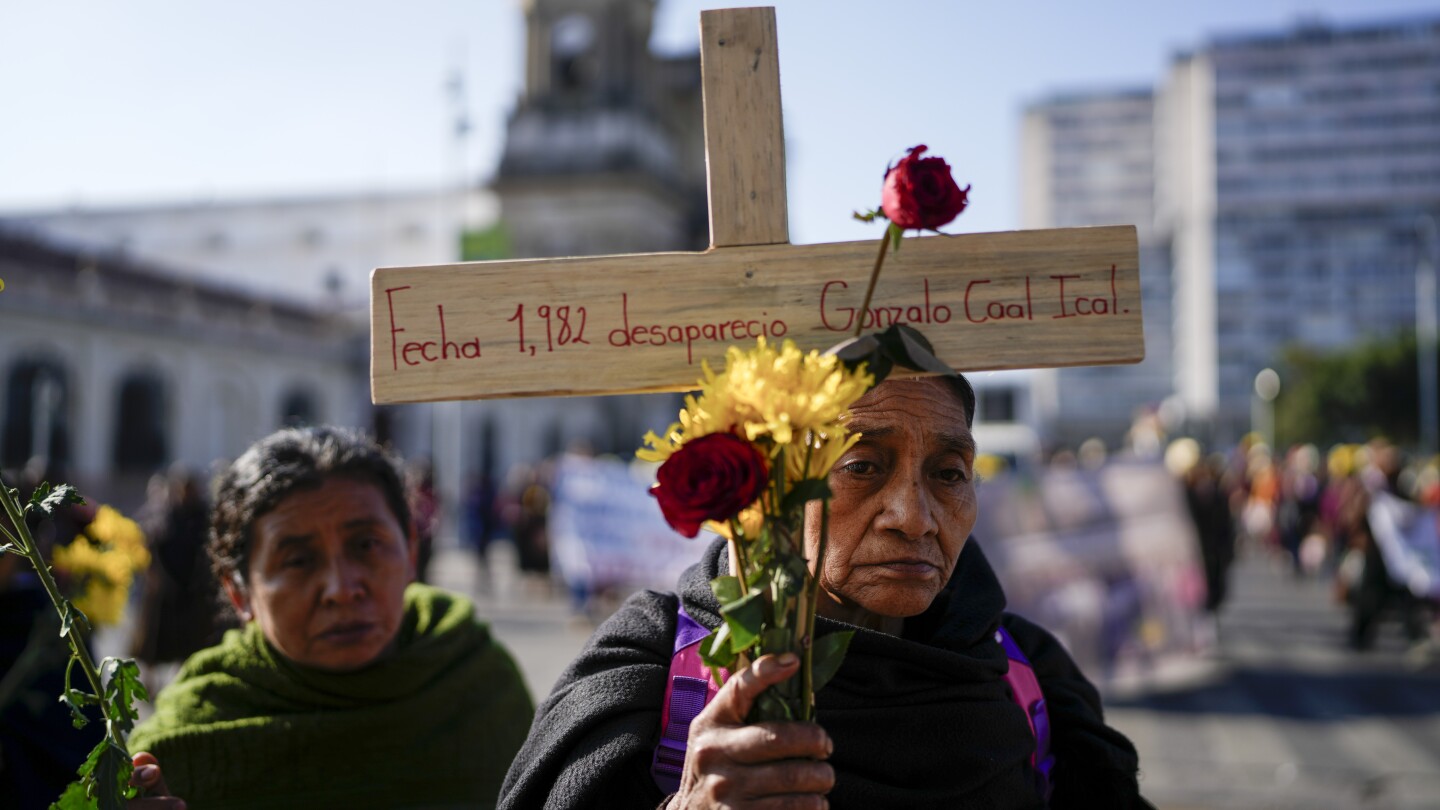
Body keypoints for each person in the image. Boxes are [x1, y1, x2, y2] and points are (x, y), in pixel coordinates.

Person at [498, 376, 1147, 809]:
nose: (914, 517)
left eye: (950, 473)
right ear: (775, 485)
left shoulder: (1032, 679)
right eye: (862, 466)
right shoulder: (651, 671)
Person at [127, 426, 534, 809]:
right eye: (299, 561)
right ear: (238, 591)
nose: (341, 589)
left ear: (411, 551)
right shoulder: (178, 752)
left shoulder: (480, 680)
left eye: (367, 545)